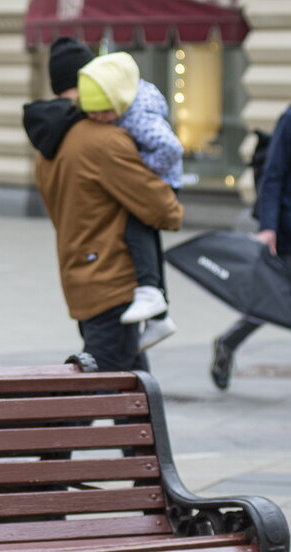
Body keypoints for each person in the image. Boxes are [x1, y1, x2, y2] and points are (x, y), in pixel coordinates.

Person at [24, 55, 184, 371]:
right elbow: (165, 211)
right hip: (114, 278)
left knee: (133, 384)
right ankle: (46, 421)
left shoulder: (50, 144)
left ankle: (142, 424)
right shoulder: (107, 141)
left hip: (80, 273)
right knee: (100, 377)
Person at [78, 51, 183, 351]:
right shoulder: (126, 109)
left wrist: (143, 167)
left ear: (119, 103)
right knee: (143, 234)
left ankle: (150, 292)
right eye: (92, 113)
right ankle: (158, 311)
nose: (97, 119)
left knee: (136, 231)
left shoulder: (140, 117)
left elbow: (171, 148)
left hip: (162, 181)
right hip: (153, 181)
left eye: (103, 113)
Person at [211, 107, 291, 389]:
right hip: (287, 230)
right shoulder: (289, 117)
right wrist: (268, 227)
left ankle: (228, 341)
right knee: (272, 299)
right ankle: (228, 342)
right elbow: (274, 175)